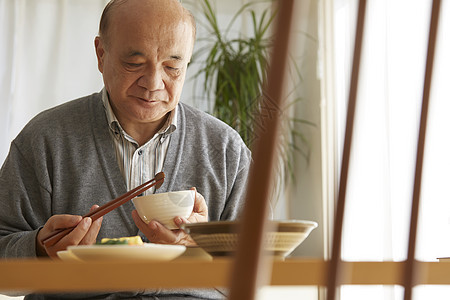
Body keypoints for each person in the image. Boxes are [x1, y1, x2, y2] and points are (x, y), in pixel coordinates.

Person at [0, 0, 251, 299]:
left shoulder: (225, 149)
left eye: (172, 66)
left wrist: (203, 251)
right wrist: (41, 249)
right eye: (134, 63)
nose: (154, 83)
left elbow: (262, 272)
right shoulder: (44, 140)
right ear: (101, 54)